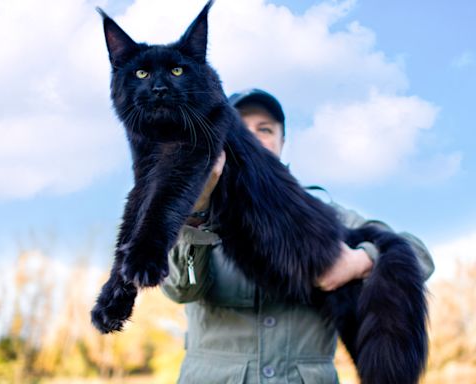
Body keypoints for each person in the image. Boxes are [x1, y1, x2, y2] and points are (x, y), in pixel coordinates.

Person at [161, 89, 434, 383]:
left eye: (265, 129)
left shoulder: (326, 215)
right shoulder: (188, 208)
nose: (253, 137)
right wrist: (196, 214)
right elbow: (181, 288)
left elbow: (418, 256)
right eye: (241, 127)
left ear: (282, 142)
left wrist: (361, 260)